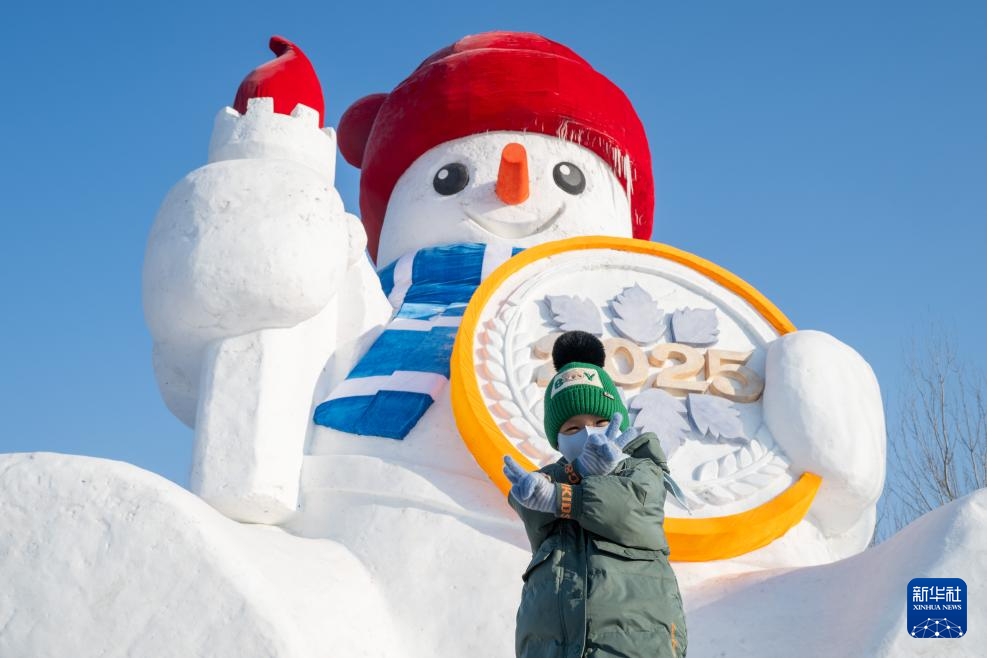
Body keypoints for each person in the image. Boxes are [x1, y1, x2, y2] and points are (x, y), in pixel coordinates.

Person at [503, 330, 688, 658]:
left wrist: (567, 495)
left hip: (634, 642)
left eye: (601, 421)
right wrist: (566, 480)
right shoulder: (552, 480)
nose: (588, 432)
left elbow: (632, 510)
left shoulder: (643, 468)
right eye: (572, 428)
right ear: (557, 440)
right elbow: (534, 515)